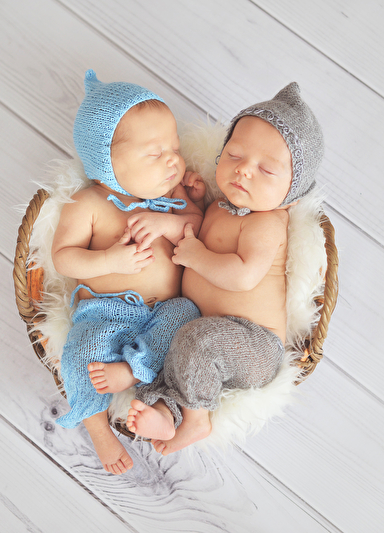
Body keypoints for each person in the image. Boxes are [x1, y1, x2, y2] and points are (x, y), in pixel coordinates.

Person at [126, 82, 324, 454]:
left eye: (266, 169)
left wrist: (197, 257)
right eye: (234, 154)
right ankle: (165, 413)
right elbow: (194, 232)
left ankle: (197, 419)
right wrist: (194, 200)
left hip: (253, 344)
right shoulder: (219, 208)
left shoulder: (267, 223)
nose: (244, 170)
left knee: (196, 341)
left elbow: (243, 274)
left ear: (292, 194)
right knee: (168, 347)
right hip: (205, 332)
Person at [51, 70, 203, 474]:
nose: (173, 160)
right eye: (155, 153)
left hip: (163, 311)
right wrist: (108, 262)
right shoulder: (88, 204)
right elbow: (64, 258)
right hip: (104, 313)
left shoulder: (171, 198)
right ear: (105, 161)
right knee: (81, 352)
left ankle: (138, 379)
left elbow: (198, 228)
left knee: (188, 318)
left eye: (175, 147)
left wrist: (172, 220)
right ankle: (98, 427)